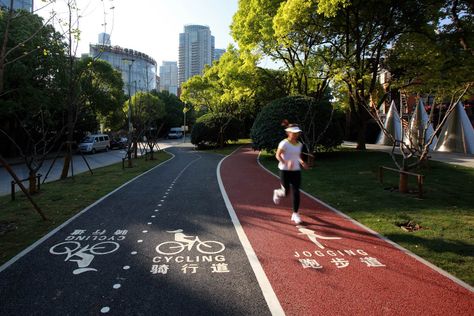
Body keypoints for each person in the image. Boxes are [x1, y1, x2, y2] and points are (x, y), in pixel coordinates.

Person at [273, 123, 309, 224]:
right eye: (293, 133)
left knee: (296, 191)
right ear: (288, 133)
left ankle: (295, 214)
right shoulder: (284, 143)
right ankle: (277, 192)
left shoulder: (299, 144)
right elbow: (277, 155)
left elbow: (296, 156)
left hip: (296, 170)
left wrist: (302, 162)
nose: (295, 134)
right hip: (284, 170)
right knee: (285, 193)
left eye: (297, 133)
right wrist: (285, 162)